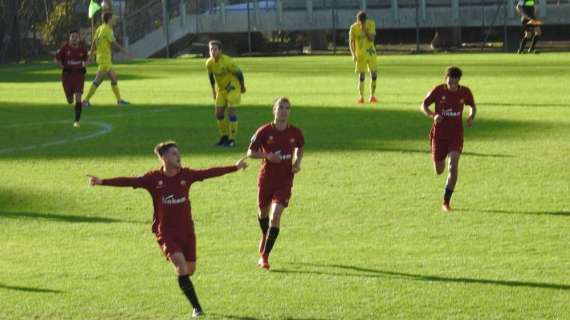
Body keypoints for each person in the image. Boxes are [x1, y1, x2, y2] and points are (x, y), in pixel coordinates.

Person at [88, 141, 247, 317]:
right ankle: (197, 308)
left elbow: (209, 172)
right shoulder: (153, 179)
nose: (178, 156)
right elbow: (129, 180)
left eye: (178, 153)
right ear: (163, 158)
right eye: (173, 154)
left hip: (187, 231)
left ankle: (183, 279)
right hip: (166, 232)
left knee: (189, 270)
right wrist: (102, 181)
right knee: (181, 266)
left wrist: (234, 167)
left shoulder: (187, 175)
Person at [247, 97, 304, 269]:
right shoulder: (264, 131)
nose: (284, 111)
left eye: (287, 108)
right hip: (266, 180)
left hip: (285, 181)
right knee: (263, 214)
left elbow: (300, 147)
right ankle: (266, 235)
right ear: (274, 110)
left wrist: (297, 162)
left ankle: (264, 256)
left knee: (276, 215)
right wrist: (268, 156)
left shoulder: (295, 132)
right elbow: (250, 152)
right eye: (281, 107)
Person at [420, 67, 477, 212]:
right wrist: (433, 115)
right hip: (439, 135)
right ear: (445, 79)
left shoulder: (465, 92)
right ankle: (437, 156)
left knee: (453, 166)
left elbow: (472, 106)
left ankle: (446, 202)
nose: (451, 85)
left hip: (455, 135)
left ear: (458, 81)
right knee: (439, 170)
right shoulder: (438, 90)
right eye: (449, 82)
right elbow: (423, 105)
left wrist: (471, 116)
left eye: (454, 83)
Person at [82, 11, 129, 107]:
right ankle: (85, 101)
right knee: (98, 80)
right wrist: (125, 51)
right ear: (109, 19)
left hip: (102, 58)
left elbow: (94, 43)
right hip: (104, 59)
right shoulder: (107, 29)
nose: (114, 20)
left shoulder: (99, 28)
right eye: (113, 19)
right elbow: (113, 43)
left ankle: (119, 100)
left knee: (113, 77)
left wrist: (90, 56)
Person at [206, 40, 246, 147]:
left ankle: (231, 139)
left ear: (220, 50)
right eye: (211, 50)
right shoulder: (209, 63)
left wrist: (242, 86)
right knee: (218, 114)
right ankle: (224, 137)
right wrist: (214, 91)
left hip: (233, 87)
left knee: (231, 112)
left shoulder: (227, 61)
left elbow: (239, 73)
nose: (212, 52)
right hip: (221, 89)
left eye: (215, 49)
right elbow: (211, 77)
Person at [54, 30, 89, 128]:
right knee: (70, 100)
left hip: (79, 77)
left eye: (76, 37)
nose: (74, 39)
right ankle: (69, 98)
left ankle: (76, 121)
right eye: (72, 37)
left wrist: (84, 65)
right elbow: (56, 59)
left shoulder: (82, 49)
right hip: (67, 78)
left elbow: (87, 60)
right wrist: (63, 67)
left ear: (79, 38)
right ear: (69, 38)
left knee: (78, 98)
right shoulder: (65, 48)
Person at [349, 11, 378, 104]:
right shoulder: (353, 28)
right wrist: (353, 54)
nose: (361, 24)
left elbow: (372, 39)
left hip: (371, 53)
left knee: (374, 75)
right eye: (359, 22)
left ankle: (372, 96)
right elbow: (351, 42)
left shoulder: (371, 24)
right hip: (360, 55)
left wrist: (365, 30)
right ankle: (361, 97)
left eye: (362, 22)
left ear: (365, 20)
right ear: (357, 21)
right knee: (361, 76)